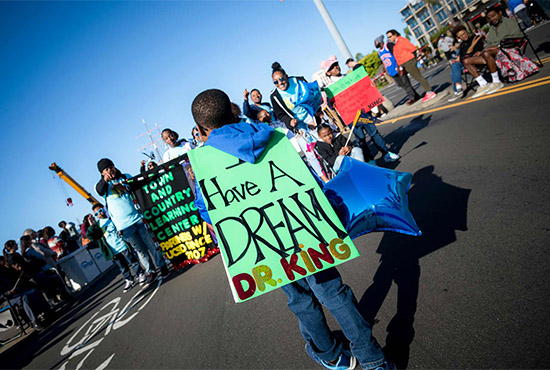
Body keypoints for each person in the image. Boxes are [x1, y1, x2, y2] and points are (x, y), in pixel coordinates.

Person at [191, 88, 394, 370]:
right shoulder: (270, 135)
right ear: (232, 111)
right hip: (305, 226)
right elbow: (308, 179)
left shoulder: (205, 163)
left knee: (299, 298)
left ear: (201, 128)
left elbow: (209, 211)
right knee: (332, 290)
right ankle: (373, 360)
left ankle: (331, 353)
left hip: (264, 241)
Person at [95, 158, 169, 284]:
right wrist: (105, 180)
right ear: (102, 173)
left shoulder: (125, 176)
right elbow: (99, 190)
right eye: (106, 170)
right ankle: (150, 271)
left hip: (138, 218)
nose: (110, 171)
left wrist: (123, 187)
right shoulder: (103, 186)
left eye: (111, 167)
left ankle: (162, 266)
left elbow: (135, 189)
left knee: (150, 244)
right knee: (140, 250)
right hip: (124, 225)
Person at [269, 62, 329, 182]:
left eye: (281, 79)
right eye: (276, 82)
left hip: (312, 118)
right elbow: (281, 115)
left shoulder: (299, 81)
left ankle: (334, 168)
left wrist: (317, 112)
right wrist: (290, 122)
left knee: (324, 143)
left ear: (286, 76)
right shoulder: (275, 96)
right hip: (298, 125)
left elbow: (313, 95)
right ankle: (325, 179)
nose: (279, 83)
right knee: (309, 152)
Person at [87, 204, 137, 293]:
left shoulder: (112, 218)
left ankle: (140, 273)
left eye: (100, 211)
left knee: (132, 260)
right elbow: (91, 236)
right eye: (97, 213)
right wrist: (91, 225)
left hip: (122, 245)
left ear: (104, 209)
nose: (100, 214)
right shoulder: (98, 226)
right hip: (113, 251)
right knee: (122, 267)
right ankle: (129, 279)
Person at [452, 23, 504, 98]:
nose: (464, 36)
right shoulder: (462, 45)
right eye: (461, 36)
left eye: (464, 33)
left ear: (466, 31)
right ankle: (483, 84)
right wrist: (469, 51)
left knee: (463, 62)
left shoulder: (475, 38)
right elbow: (464, 56)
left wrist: (469, 52)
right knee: (459, 63)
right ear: (458, 37)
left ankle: (496, 81)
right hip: (470, 62)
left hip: (481, 58)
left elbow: (477, 51)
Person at [386, 29, 436, 103]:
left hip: (409, 61)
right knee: (416, 78)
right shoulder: (396, 44)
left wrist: (414, 60)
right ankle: (428, 91)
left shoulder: (402, 40)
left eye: (390, 36)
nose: (389, 38)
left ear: (395, 34)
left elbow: (412, 48)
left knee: (418, 77)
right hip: (404, 63)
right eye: (388, 37)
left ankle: (429, 92)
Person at [375, 35, 421, 106]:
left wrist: (399, 65)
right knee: (402, 85)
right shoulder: (379, 53)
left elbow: (397, 54)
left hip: (398, 67)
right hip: (391, 71)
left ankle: (412, 98)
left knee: (406, 83)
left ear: (380, 41)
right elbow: (384, 62)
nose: (375, 44)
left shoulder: (388, 45)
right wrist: (386, 71)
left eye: (376, 42)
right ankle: (416, 95)